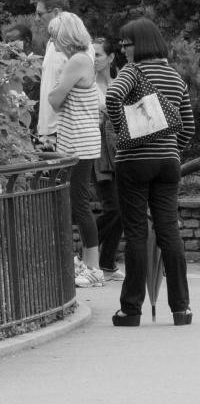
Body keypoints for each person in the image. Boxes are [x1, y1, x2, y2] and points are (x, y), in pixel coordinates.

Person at [104, 18, 195, 326]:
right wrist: (172, 150)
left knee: (137, 235)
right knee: (170, 232)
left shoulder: (132, 71)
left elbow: (113, 95)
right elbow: (189, 126)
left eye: (125, 44)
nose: (122, 50)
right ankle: (181, 309)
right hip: (168, 164)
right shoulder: (174, 76)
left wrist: (123, 131)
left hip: (134, 162)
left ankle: (131, 310)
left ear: (138, 45)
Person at [43, 12, 105, 287]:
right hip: (79, 141)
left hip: (78, 143)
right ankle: (86, 261)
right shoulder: (82, 60)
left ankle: (93, 267)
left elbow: (55, 100)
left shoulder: (77, 61)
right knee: (76, 203)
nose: (52, 40)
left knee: (79, 204)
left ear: (65, 35)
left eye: (54, 35)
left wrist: (56, 89)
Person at [91, 37, 125, 280]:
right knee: (113, 209)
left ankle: (106, 263)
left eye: (99, 55)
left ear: (111, 57)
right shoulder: (87, 83)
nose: (94, 59)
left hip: (122, 152)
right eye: (91, 54)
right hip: (98, 152)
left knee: (121, 210)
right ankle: (82, 252)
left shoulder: (121, 81)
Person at [31, 0, 73, 148]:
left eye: (40, 14)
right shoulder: (51, 42)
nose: (36, 19)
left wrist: (56, 131)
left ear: (55, 12)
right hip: (48, 133)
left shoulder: (74, 44)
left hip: (64, 133)